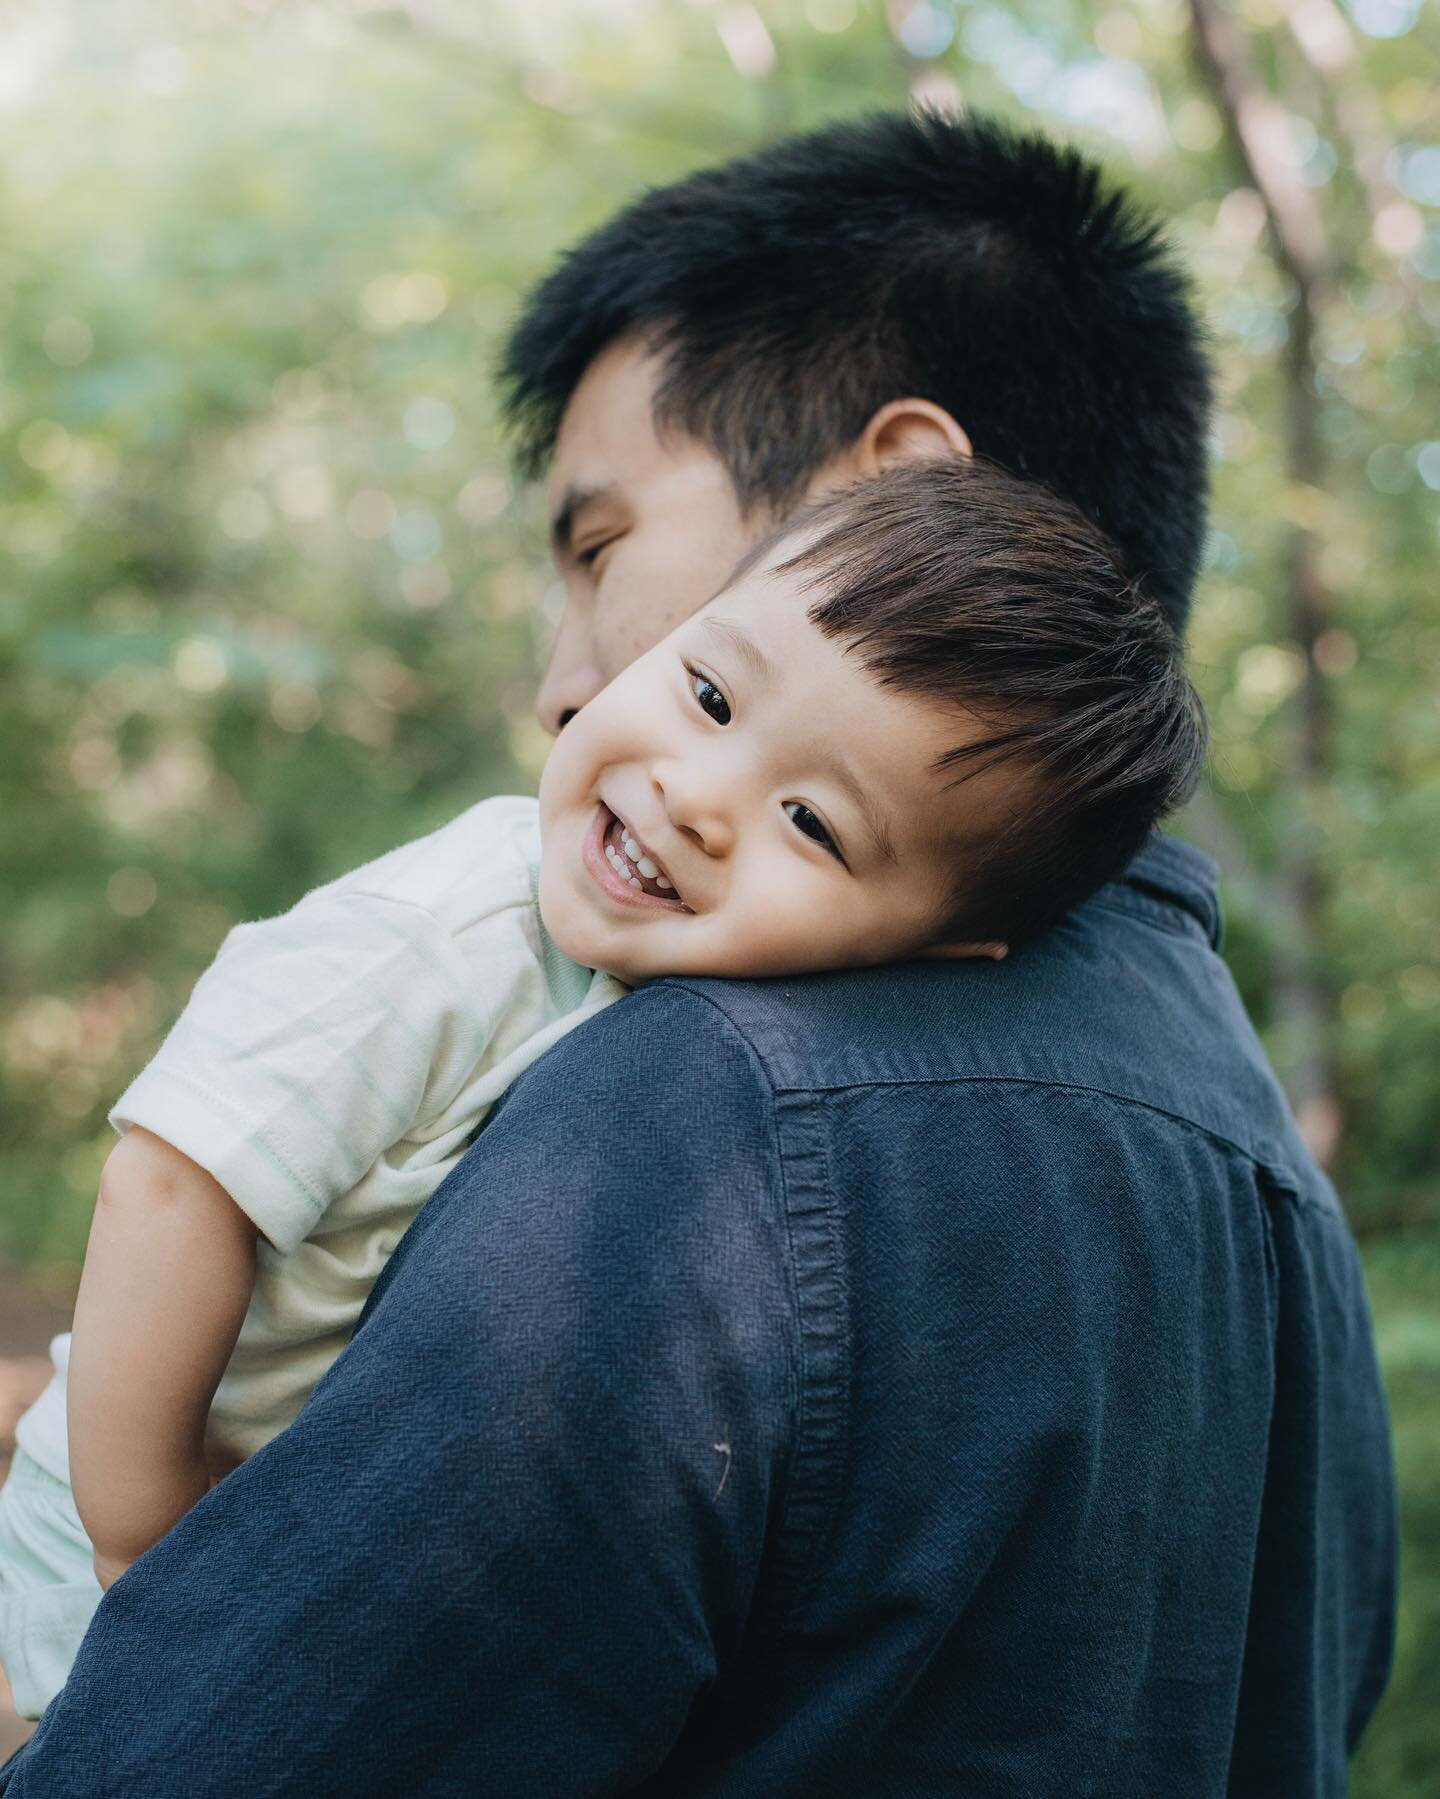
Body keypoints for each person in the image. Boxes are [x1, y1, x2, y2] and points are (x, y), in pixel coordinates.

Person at [0, 112, 1394, 1796]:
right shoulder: (1279, 1204)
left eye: (598, 548)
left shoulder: (709, 1096)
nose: (560, 679)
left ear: (896, 492)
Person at [0, 458, 1204, 1718]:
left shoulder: (722, 1037)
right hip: (118, 1545)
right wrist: (150, 1543)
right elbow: (170, 1184)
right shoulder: (443, 934)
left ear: (933, 952)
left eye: (812, 822)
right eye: (709, 692)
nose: (696, 794)